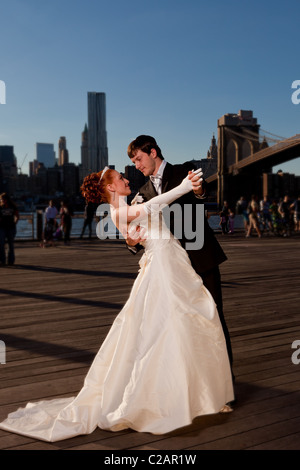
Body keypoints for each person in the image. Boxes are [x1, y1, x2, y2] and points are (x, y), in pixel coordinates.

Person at [0, 167, 234, 442]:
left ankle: (197, 394)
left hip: (174, 261)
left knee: (189, 321)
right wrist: (183, 186)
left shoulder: (131, 205)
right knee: (174, 324)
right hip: (164, 267)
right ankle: (172, 397)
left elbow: (145, 220)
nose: (126, 179)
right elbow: (155, 205)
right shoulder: (118, 212)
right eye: (120, 178)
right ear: (111, 188)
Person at [126, 135, 233, 373]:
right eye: (133, 162)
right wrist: (132, 241)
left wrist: (198, 188)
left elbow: (200, 193)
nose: (137, 165)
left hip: (200, 258)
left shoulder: (184, 170)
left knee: (214, 316)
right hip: (170, 268)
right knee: (179, 323)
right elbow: (137, 230)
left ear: (153, 153)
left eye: (139, 159)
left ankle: (226, 381)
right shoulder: (142, 191)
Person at [0, 193, 19, 266]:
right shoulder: (0, 207)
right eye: (1, 199)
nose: (2, 201)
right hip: (2, 227)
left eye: (3, 199)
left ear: (7, 199)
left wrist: (15, 222)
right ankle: (2, 260)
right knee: (1, 244)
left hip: (11, 227)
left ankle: (11, 261)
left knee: (11, 244)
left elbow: (17, 215)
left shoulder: (13, 206)